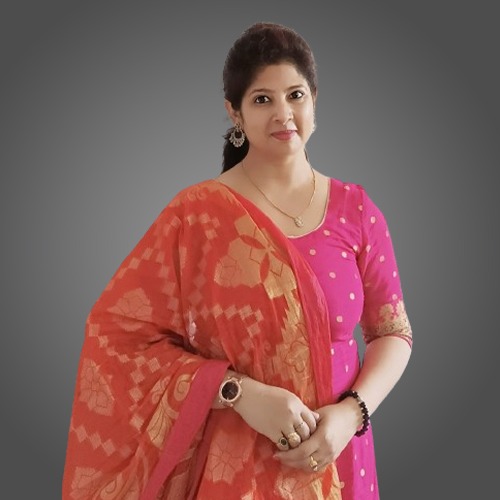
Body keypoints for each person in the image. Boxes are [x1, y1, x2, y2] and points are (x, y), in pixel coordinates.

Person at [62, 22, 412, 499]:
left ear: (314, 101)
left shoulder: (356, 210)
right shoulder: (196, 215)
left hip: (340, 454)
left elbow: (392, 332)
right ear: (235, 112)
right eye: (262, 99)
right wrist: (239, 393)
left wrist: (351, 416)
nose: (283, 113)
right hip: (235, 464)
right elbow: (117, 335)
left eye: (295, 95)